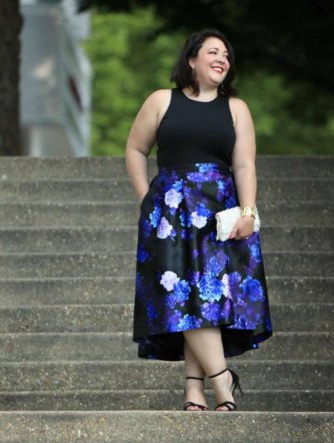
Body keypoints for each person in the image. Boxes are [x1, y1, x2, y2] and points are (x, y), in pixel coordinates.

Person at [125, 28, 273, 412]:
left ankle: (194, 389)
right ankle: (222, 380)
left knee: (204, 296)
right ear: (192, 59)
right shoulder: (161, 100)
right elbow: (135, 149)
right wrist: (147, 201)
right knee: (182, 293)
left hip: (219, 211)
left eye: (226, 53)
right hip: (170, 214)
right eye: (213, 52)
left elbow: (244, 164)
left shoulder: (236, 108)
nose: (222, 58)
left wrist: (248, 211)